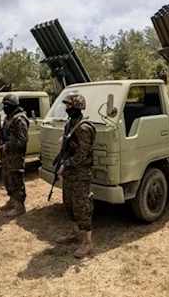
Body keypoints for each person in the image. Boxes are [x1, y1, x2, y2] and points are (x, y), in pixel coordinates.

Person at [55, 92, 96, 259]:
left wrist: (66, 165)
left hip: (80, 173)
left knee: (82, 206)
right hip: (70, 173)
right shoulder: (71, 124)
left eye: (69, 106)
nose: (66, 108)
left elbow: (82, 154)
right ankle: (74, 233)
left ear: (77, 107)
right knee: (69, 203)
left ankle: (87, 242)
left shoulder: (84, 128)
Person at [0, 94, 30, 217]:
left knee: (16, 179)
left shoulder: (19, 119)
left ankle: (20, 206)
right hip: (7, 155)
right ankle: (12, 200)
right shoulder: (8, 118)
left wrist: (8, 145)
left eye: (7, 105)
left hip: (15, 156)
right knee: (7, 178)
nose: (5, 108)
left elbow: (22, 140)